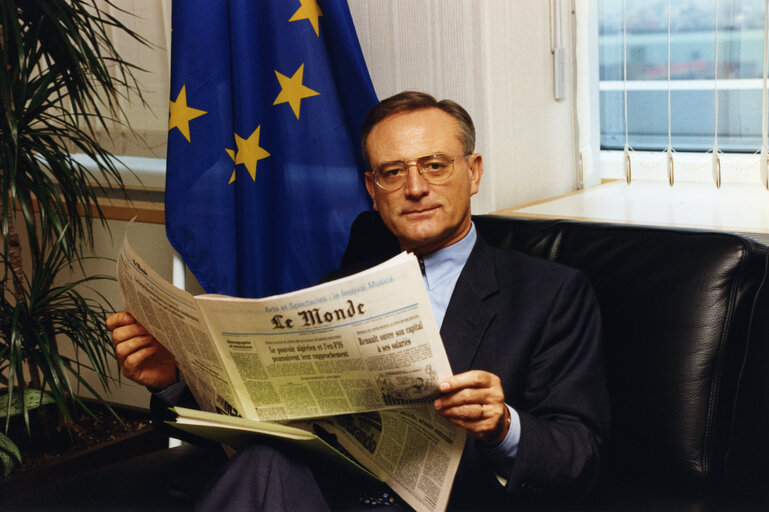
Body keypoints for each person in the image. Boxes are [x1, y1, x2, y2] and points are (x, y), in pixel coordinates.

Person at [107, 91, 610, 510]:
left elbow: (581, 457)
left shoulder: (551, 294)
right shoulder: (342, 285)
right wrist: (175, 376)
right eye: (392, 172)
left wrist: (503, 427)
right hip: (329, 496)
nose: (415, 188)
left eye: (435, 165)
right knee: (266, 462)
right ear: (373, 190)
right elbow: (264, 415)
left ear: (473, 173)